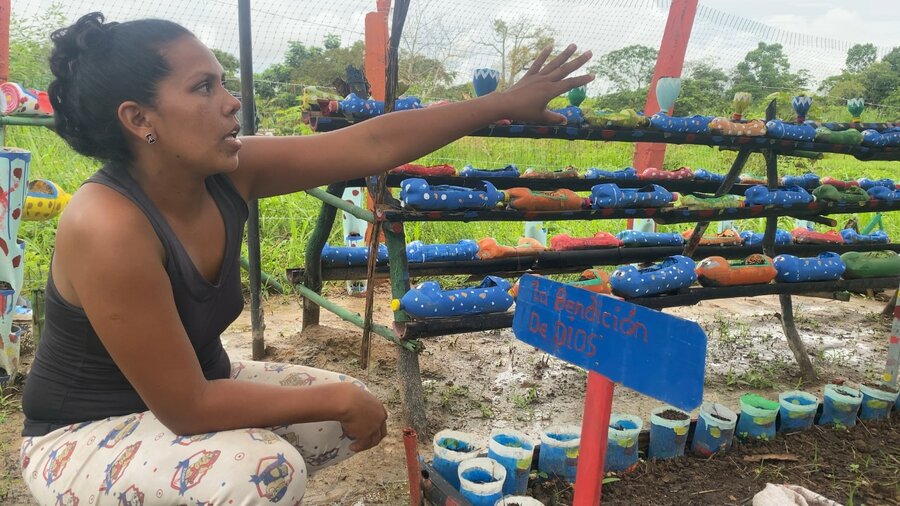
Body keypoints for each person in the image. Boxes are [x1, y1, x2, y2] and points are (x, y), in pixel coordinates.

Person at [19, 11, 593, 505]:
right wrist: (340, 397)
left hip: (184, 396)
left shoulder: (227, 174)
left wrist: (502, 103)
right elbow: (189, 408)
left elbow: (370, 144)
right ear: (139, 119)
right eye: (203, 88)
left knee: (329, 423)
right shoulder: (109, 224)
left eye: (223, 83)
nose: (230, 102)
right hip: (84, 431)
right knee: (262, 471)